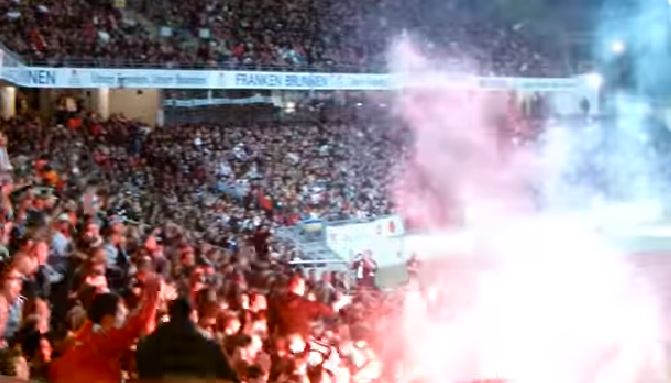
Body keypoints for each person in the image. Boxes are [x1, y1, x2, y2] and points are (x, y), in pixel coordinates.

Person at [49, 274, 161, 383]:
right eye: (122, 313)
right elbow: (136, 324)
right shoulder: (101, 337)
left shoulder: (88, 331)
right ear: (107, 318)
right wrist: (152, 292)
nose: (126, 315)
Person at [136, 297, 239, 383]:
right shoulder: (209, 343)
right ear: (192, 314)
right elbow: (228, 376)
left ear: (170, 313)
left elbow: (142, 371)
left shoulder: (151, 342)